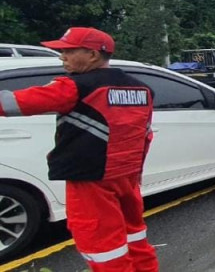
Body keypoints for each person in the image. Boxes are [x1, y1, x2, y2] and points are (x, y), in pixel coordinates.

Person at [0, 28, 158, 272]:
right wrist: (137, 171)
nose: (61, 57)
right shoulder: (141, 89)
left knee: (102, 246)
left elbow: (14, 103)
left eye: (68, 51)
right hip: (126, 176)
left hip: (90, 180)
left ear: (93, 55)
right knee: (133, 235)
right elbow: (145, 134)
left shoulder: (74, 87)